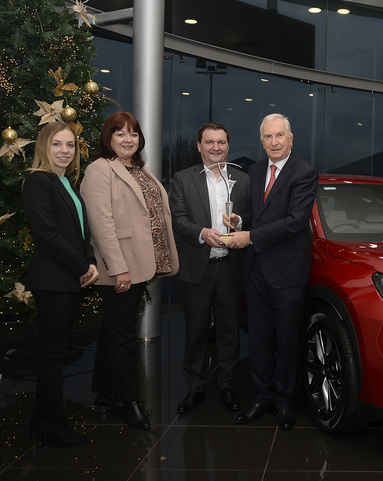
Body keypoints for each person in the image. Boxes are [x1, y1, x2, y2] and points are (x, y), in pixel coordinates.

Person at [80, 112, 179, 430]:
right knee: (123, 337)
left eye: (133, 134)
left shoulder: (138, 168)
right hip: (121, 268)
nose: (127, 139)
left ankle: (106, 394)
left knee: (113, 331)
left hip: (139, 263)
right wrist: (118, 268)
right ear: (107, 138)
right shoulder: (99, 169)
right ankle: (129, 401)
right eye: (120, 133)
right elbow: (101, 224)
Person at [225, 113, 319, 430]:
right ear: (261, 140)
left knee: (287, 340)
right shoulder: (254, 170)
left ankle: (284, 402)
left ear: (291, 139)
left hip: (288, 272)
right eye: (268, 136)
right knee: (261, 340)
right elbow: (259, 212)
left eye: (280, 136)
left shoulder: (304, 172)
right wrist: (241, 221)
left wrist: (249, 236)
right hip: (257, 269)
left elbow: (294, 223)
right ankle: (262, 397)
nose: (274, 142)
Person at [22, 122, 99, 446]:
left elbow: (80, 230)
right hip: (52, 280)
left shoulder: (67, 182)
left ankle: (40, 419)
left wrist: (89, 260)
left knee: (55, 352)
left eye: (70, 145)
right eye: (57, 144)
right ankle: (55, 422)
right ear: (44, 146)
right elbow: (47, 234)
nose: (65, 151)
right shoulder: (38, 181)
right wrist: (82, 265)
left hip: (69, 279)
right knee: (53, 355)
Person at [170, 122, 250, 414]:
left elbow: (252, 215)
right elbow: (177, 218)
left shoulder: (243, 179)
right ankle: (196, 389)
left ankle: (228, 387)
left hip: (231, 268)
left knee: (230, 332)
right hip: (197, 268)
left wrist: (239, 222)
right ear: (198, 146)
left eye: (221, 142)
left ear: (228, 145)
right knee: (196, 332)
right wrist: (202, 233)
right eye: (209, 142)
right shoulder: (182, 178)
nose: (216, 147)